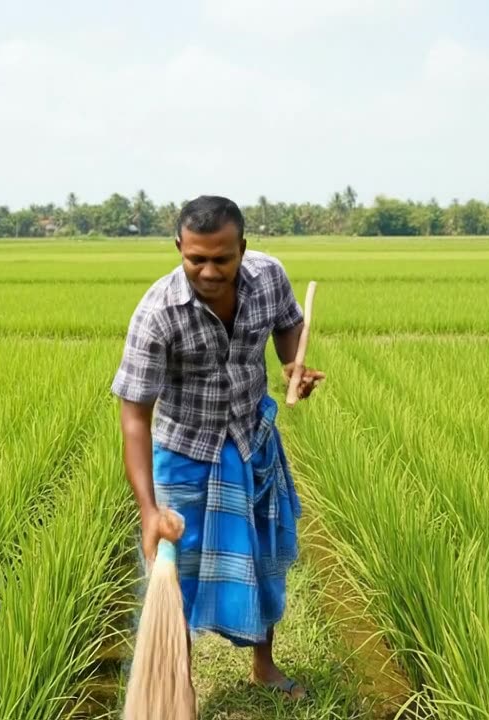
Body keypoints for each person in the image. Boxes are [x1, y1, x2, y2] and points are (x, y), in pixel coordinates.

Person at [111, 195, 326, 702]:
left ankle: (264, 666)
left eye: (221, 259)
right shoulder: (158, 312)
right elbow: (135, 416)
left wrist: (294, 362)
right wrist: (148, 509)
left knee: (264, 555)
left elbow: (289, 322)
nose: (208, 271)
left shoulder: (269, 276)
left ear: (242, 249)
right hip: (185, 452)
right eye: (196, 259)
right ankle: (177, 684)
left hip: (252, 440)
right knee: (174, 572)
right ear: (179, 248)